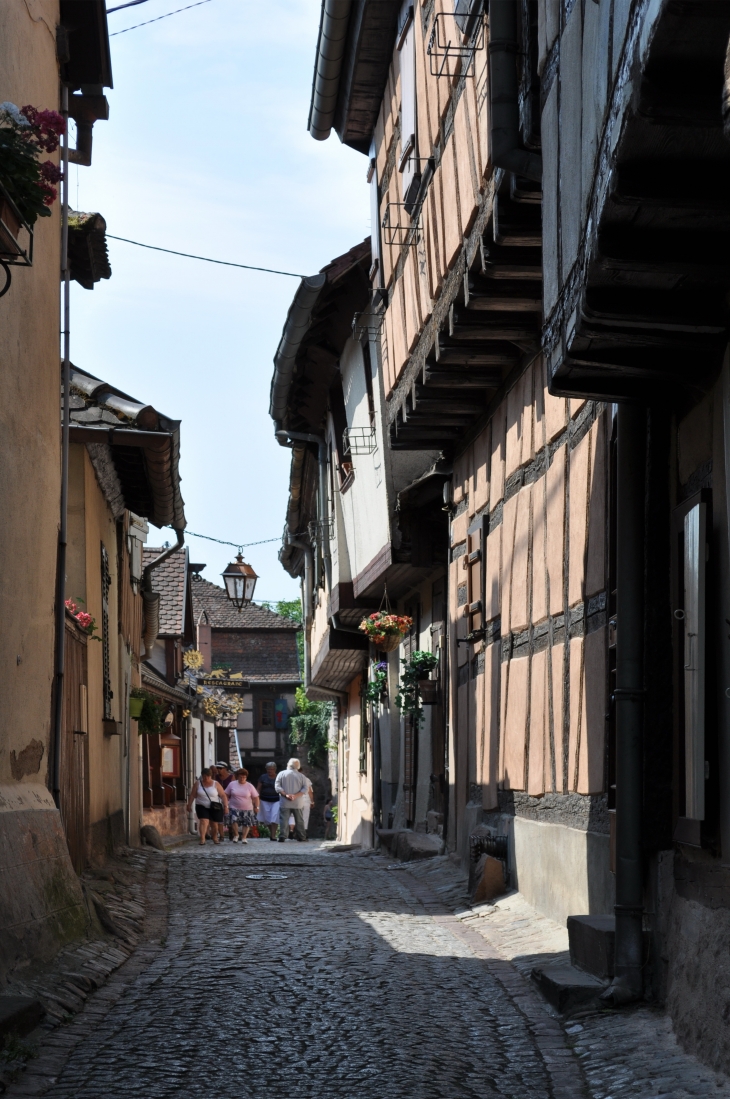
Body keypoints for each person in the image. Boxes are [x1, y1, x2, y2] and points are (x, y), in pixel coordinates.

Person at [187, 767, 228, 845]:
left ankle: (215, 837)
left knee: (214, 824)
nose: (206, 778)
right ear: (202, 776)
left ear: (211, 776)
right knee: (203, 821)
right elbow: (192, 795)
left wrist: (226, 806)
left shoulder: (216, 784)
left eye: (208, 776)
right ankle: (202, 838)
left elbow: (223, 795)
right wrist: (189, 804)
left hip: (214, 806)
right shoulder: (198, 783)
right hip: (201, 805)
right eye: (204, 776)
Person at [274, 758, 308, 843]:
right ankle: (302, 836)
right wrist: (296, 795)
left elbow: (277, 786)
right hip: (298, 802)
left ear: (288, 764)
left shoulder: (281, 774)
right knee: (299, 820)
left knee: (284, 819)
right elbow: (305, 788)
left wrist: (286, 794)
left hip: (285, 801)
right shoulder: (301, 776)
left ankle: (282, 836)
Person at [226, 768, 260, 844]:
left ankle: (244, 837)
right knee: (234, 820)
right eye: (240, 777)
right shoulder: (232, 784)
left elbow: (256, 797)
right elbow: (226, 794)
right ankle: (236, 835)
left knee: (247, 823)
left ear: (246, 777)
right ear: (237, 776)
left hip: (247, 808)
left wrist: (256, 807)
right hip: (234, 806)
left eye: (244, 777)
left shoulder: (250, 786)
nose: (242, 779)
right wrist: (226, 804)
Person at [257, 762, 280, 841]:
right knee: (267, 819)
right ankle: (272, 833)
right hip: (264, 800)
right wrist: (257, 798)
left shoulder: (279, 777)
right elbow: (259, 788)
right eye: (268, 769)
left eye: (271, 769)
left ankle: (273, 835)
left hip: (276, 800)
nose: (269, 771)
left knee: (274, 817)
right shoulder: (263, 777)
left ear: (275, 769)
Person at [216, 762, 235, 841]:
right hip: (218, 799)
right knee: (219, 817)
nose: (218, 770)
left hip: (229, 799)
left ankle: (231, 833)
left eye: (220, 768)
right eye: (218, 768)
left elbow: (234, 788)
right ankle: (221, 835)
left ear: (225, 769)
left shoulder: (231, 777)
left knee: (229, 816)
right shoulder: (216, 777)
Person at [300, 772, 314, 838]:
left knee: (295, 816)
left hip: (296, 800)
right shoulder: (307, 779)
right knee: (305, 817)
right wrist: (312, 801)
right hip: (306, 800)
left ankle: (295, 832)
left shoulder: (292, 779)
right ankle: (304, 833)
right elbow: (310, 791)